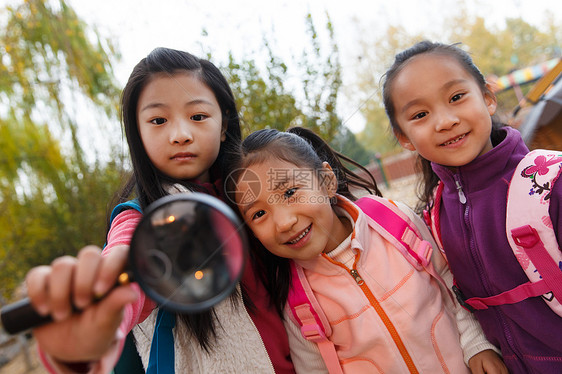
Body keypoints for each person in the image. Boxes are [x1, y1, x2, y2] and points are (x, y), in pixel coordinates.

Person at [25, 47, 295, 373]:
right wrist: (91, 329)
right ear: (137, 133)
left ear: (224, 124)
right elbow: (124, 271)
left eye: (197, 116)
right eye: (158, 120)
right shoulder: (140, 219)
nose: (180, 135)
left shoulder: (255, 194)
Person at [224, 127, 507, 373]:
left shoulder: (394, 222)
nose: (284, 223)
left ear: (326, 181)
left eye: (289, 193)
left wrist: (475, 344)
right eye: (259, 214)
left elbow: (449, 281)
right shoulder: (299, 303)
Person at [382, 40, 562, 373]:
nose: (445, 121)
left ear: (488, 98)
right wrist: (475, 345)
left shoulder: (551, 181)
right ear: (404, 137)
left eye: (456, 97)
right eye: (420, 114)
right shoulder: (434, 217)